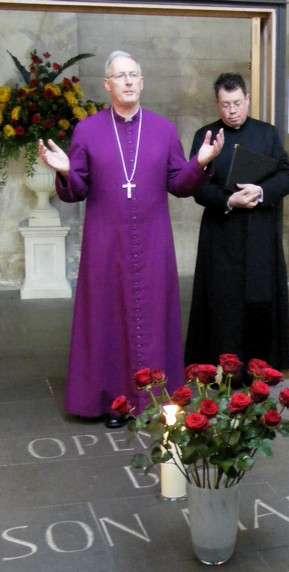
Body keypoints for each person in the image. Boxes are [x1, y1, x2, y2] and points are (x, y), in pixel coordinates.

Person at [38, 51, 224, 426]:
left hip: (153, 243)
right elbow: (75, 190)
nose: (126, 81)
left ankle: (157, 399)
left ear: (141, 82)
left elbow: (178, 184)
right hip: (105, 244)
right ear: (107, 85)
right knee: (105, 319)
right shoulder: (87, 130)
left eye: (133, 75)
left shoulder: (163, 129)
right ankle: (114, 401)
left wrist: (200, 164)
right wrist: (62, 171)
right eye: (118, 76)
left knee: (154, 315)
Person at [185, 72, 289, 376]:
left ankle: (259, 371)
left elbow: (287, 176)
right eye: (225, 105)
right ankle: (220, 371)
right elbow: (194, 186)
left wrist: (261, 192)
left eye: (237, 103)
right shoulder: (204, 136)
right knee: (222, 303)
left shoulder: (267, 134)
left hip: (260, 232)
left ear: (247, 99)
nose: (232, 111)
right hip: (221, 234)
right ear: (216, 104)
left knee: (260, 301)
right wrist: (228, 200)